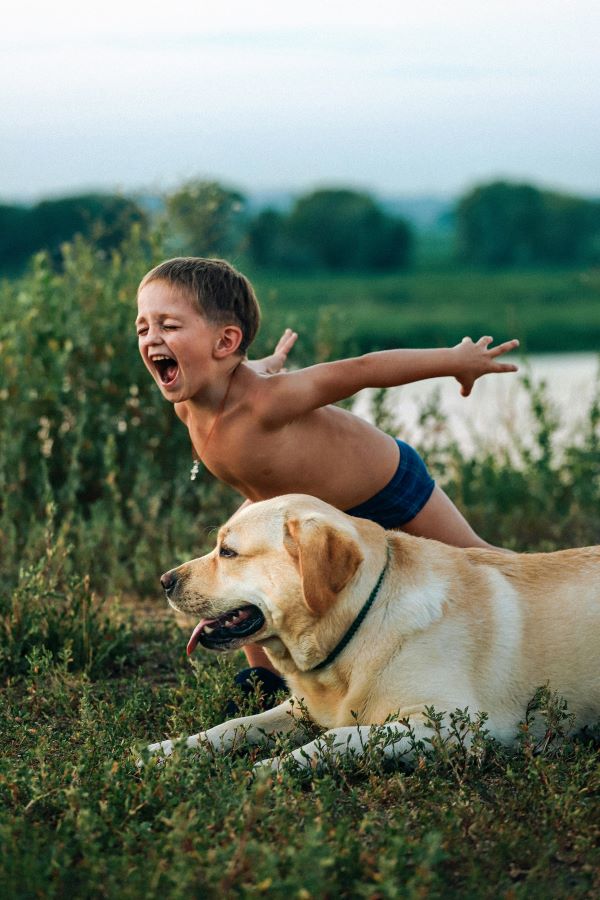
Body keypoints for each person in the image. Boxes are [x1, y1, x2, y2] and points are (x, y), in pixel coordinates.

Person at [136, 256, 520, 706]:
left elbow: (361, 370)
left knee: (480, 559)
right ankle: (265, 684)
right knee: (241, 564)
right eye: (143, 327)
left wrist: (454, 360)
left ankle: (558, 599)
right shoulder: (190, 401)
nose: (152, 338)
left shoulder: (268, 402)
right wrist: (270, 359)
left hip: (387, 484)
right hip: (300, 509)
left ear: (225, 342)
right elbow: (249, 367)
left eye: (168, 325)